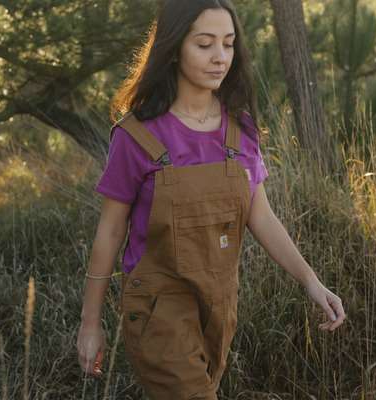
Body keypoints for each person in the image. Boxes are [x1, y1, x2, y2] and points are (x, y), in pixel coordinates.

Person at [76, 0, 346, 398]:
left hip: (220, 305)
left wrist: (310, 280)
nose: (220, 57)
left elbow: (261, 215)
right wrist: (90, 322)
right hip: (158, 309)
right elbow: (111, 231)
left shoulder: (241, 129)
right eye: (205, 44)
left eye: (228, 43)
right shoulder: (136, 136)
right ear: (173, 48)